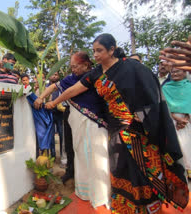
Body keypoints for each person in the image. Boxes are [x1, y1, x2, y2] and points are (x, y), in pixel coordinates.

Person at [45, 33, 189, 213]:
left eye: (100, 51)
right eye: (94, 51)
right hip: (114, 128)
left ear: (112, 50)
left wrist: (142, 114)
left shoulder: (130, 67)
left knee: (140, 168)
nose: (95, 55)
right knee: (119, 167)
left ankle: (147, 205)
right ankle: (124, 205)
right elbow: (74, 89)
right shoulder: (96, 73)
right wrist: (54, 101)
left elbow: (149, 91)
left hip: (135, 128)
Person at [34, 51, 111, 208]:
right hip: (78, 125)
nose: (73, 70)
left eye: (75, 66)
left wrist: (54, 102)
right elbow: (53, 87)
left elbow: (71, 92)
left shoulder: (96, 76)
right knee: (81, 155)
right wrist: (40, 98)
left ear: (86, 65)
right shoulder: (70, 79)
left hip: (95, 124)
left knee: (97, 159)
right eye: (71, 67)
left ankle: (100, 193)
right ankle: (84, 191)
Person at [162, 68, 191, 179]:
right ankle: (181, 171)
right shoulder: (166, 88)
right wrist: (176, 118)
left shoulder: (189, 86)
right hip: (171, 120)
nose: (174, 73)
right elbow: (164, 106)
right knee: (178, 145)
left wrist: (187, 116)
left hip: (187, 120)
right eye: (172, 72)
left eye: (178, 71)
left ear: (184, 72)